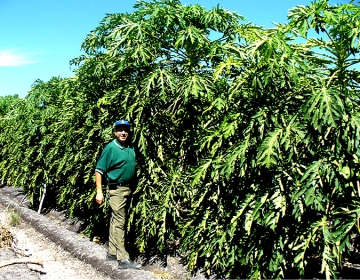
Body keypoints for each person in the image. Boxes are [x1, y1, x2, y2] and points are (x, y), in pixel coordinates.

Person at [95, 119, 141, 270]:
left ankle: (112, 252)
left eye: (126, 130)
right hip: (116, 189)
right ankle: (123, 258)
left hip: (128, 188)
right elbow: (99, 170)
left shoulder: (129, 146)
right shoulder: (110, 148)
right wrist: (99, 192)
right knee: (120, 221)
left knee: (116, 220)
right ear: (115, 132)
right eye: (120, 130)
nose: (123, 132)